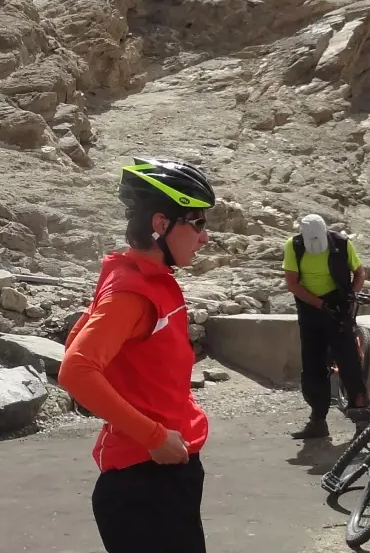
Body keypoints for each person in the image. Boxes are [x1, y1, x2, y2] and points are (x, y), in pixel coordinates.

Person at [59, 157, 216, 553]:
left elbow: (80, 342)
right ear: (161, 223)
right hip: (146, 483)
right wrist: (154, 435)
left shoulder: (146, 279)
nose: (204, 237)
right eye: (197, 223)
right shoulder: (132, 291)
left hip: (165, 472)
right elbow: (76, 369)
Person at [283, 214, 370, 440]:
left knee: (349, 362)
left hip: (339, 306)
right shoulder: (294, 246)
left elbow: (360, 272)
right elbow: (293, 284)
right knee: (312, 366)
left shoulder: (341, 244)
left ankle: (362, 422)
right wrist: (320, 305)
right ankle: (318, 421)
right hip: (310, 309)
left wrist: (352, 294)